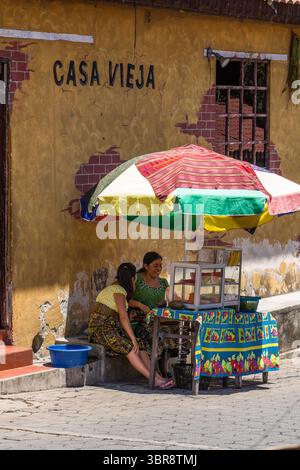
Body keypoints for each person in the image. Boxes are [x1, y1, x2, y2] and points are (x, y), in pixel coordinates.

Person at [88, 262, 174, 389]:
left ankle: (157, 377)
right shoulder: (118, 291)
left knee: (141, 344)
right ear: (132, 279)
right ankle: (152, 379)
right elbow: (123, 317)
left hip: (111, 328)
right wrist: (132, 339)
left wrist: (135, 339)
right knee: (129, 347)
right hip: (100, 330)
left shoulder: (117, 289)